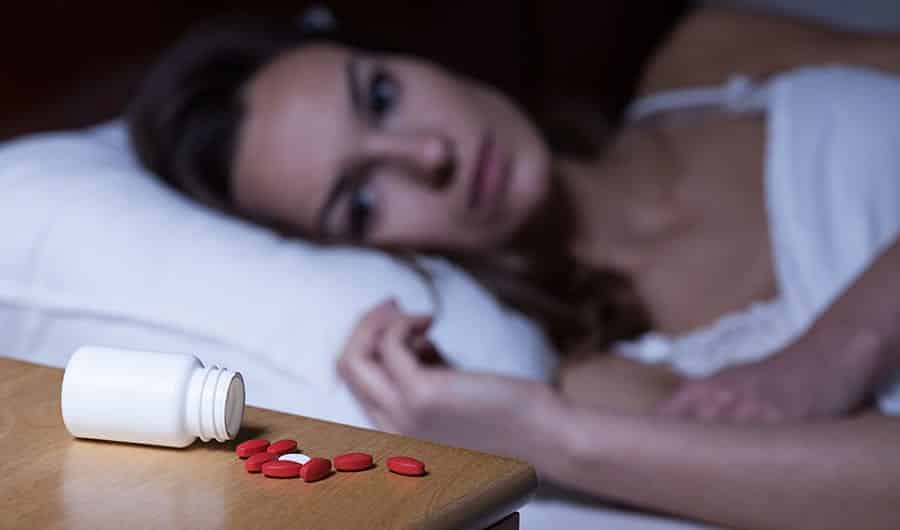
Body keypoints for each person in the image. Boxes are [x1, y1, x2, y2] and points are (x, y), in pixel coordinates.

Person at [128, 7, 900, 529]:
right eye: (360, 202)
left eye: (384, 95)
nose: (428, 155)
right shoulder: (598, 379)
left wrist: (845, 342)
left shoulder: (700, 55)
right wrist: (555, 439)